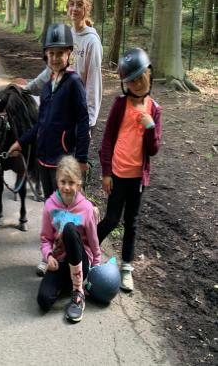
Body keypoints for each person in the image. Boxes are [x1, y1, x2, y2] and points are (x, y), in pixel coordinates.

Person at [97, 48, 162, 292]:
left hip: (137, 179)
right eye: (131, 80)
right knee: (112, 219)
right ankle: (88, 247)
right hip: (117, 174)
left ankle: (126, 266)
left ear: (149, 74)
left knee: (131, 222)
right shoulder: (120, 104)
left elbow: (153, 150)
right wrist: (106, 173)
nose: (136, 84)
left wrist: (150, 127)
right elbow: (107, 140)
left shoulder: (154, 109)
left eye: (140, 78)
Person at [8, 23, 90, 198]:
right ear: (46, 54)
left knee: (64, 209)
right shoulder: (47, 86)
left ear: (69, 53)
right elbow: (41, 124)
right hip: (44, 161)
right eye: (51, 53)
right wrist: (20, 142)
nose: (55, 58)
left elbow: (83, 121)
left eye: (60, 53)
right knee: (50, 206)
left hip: (64, 163)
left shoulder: (74, 83)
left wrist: (82, 158)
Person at [16, 0, 102, 131]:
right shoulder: (66, 34)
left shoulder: (91, 41)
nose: (74, 8)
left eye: (79, 5)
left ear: (87, 8)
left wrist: (88, 121)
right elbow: (51, 71)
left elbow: (93, 84)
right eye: (72, 4)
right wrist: (27, 89)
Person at [36, 156, 101, 322]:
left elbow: (93, 240)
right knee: (43, 301)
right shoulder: (50, 205)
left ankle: (78, 292)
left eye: (71, 183)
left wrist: (96, 267)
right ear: (57, 181)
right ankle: (67, 284)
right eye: (63, 182)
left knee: (70, 229)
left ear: (78, 184)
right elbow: (45, 239)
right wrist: (48, 256)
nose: (66, 187)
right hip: (60, 260)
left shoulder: (86, 208)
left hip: (81, 259)